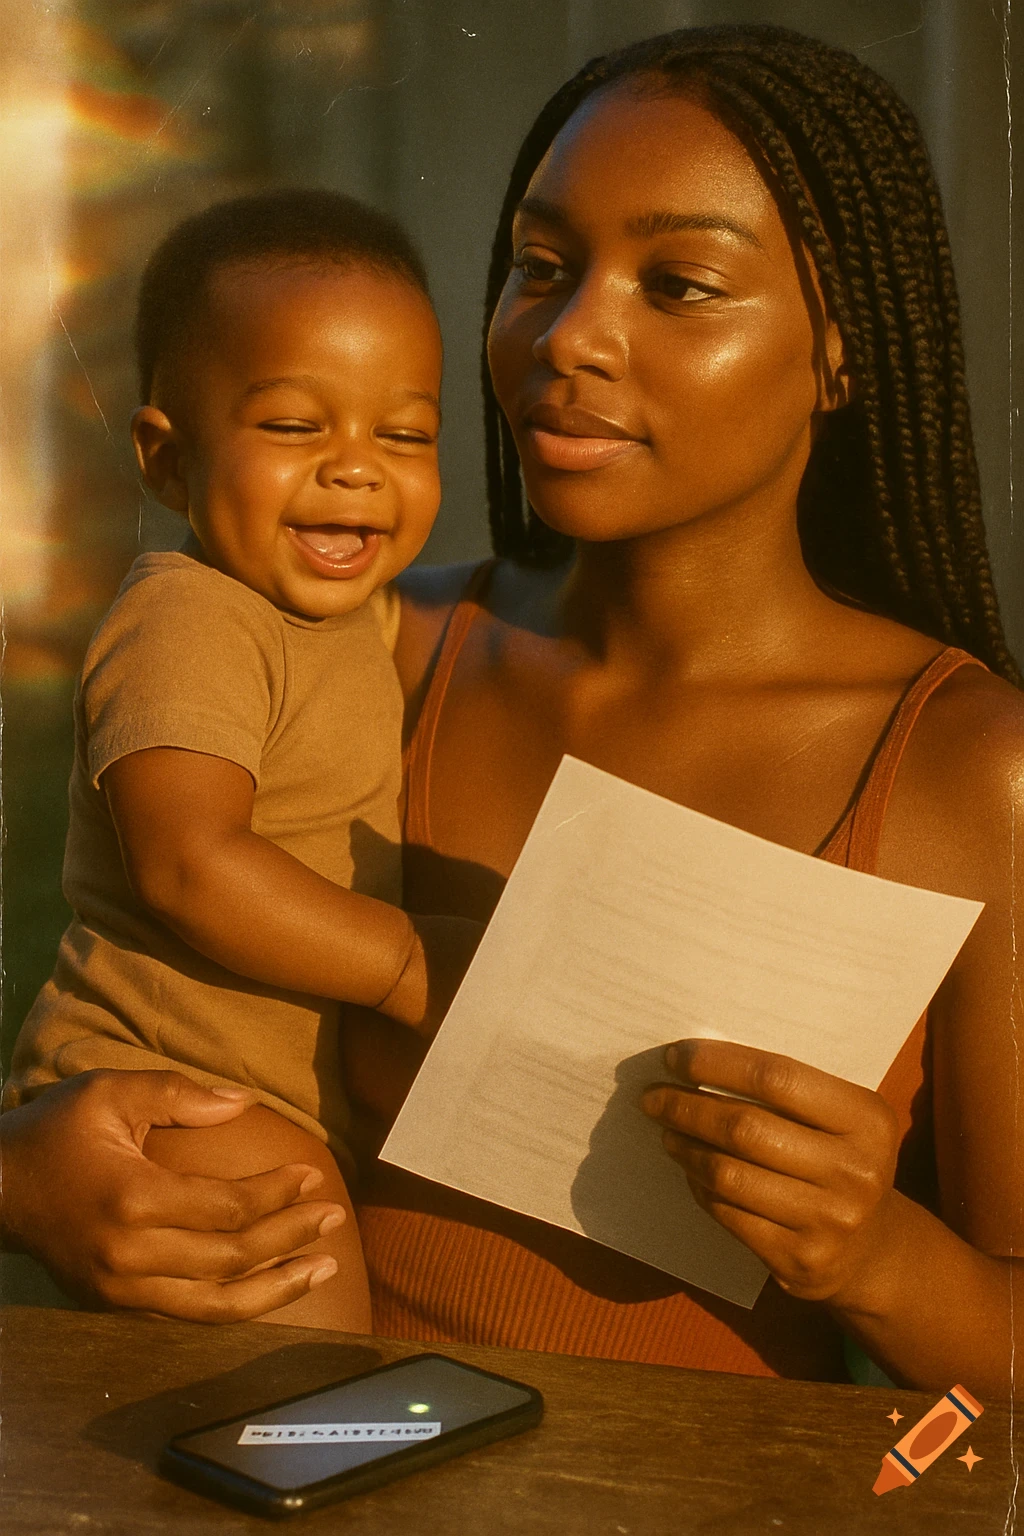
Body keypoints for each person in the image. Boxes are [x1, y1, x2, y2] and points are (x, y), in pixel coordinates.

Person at [2, 25, 1021, 1398]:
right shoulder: (375, 650)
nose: (571, 333)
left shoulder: (964, 768)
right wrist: (30, 1173)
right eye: (539, 269)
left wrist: (877, 1256)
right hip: (311, 1471)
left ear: (843, 353)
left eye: (678, 283)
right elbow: (132, 986)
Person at [1, 189, 478, 1332]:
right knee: (304, 1350)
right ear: (168, 462)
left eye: (404, 435)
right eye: (294, 427)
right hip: (171, 1090)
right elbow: (188, 863)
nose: (356, 469)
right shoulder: (189, 619)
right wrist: (412, 966)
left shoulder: (348, 620)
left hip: (256, 1092)